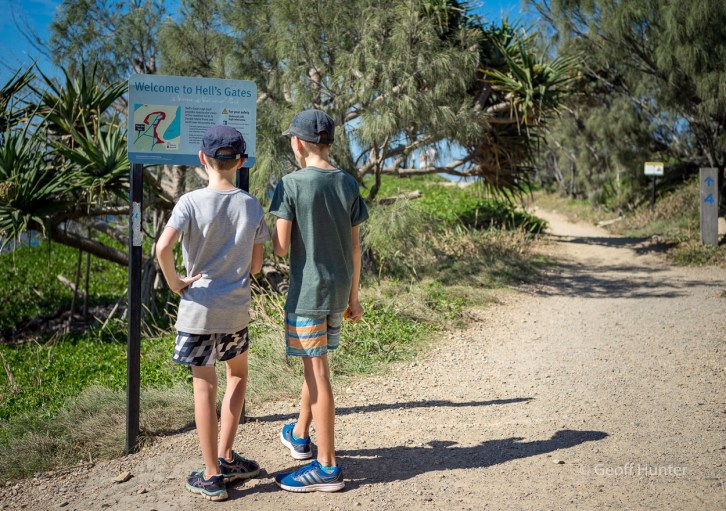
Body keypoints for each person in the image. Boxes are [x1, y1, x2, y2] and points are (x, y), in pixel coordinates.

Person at [155, 125, 270, 501]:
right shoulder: (251, 205)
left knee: (203, 387)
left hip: (198, 310)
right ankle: (226, 455)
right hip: (235, 309)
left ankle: (210, 474)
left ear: (202, 159)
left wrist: (176, 283)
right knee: (237, 375)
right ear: (241, 161)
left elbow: (162, 248)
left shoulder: (188, 202)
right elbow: (255, 268)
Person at [269, 109, 368, 492]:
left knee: (319, 374)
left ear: (297, 143)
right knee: (317, 362)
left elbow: (279, 249)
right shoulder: (347, 183)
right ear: (328, 142)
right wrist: (354, 297)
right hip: (339, 291)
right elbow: (356, 248)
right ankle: (299, 434)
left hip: (308, 294)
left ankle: (326, 467)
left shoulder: (290, 185)